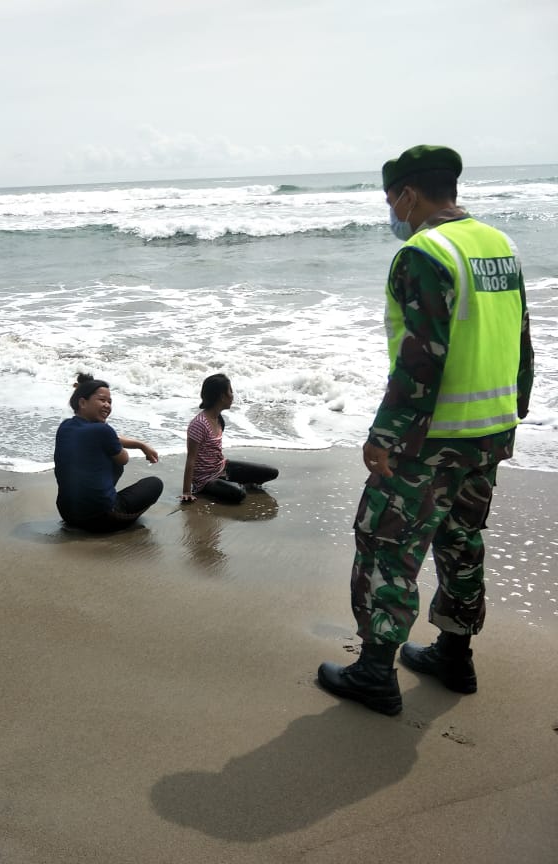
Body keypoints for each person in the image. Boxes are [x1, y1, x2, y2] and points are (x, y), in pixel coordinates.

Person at [317, 145, 534, 715]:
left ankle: (373, 673)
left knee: (387, 543)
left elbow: (423, 361)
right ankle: (454, 656)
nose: (392, 211)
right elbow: (522, 336)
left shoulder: (424, 252)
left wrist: (385, 436)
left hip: (429, 440)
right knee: (462, 542)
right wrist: (519, 406)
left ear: (408, 194)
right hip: (489, 430)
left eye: (391, 199)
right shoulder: (499, 246)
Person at [54, 373, 163, 532]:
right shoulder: (102, 430)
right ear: (83, 402)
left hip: (67, 514)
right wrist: (135, 445)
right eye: (102, 400)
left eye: (109, 402)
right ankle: (109, 509)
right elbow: (123, 458)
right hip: (102, 518)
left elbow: (109, 439)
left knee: (102, 457)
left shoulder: (65, 427)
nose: (107, 405)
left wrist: (141, 445)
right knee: (154, 483)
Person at [180, 373, 278, 504]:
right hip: (205, 480)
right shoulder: (199, 424)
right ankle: (223, 486)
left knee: (271, 472)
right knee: (239, 494)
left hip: (223, 467)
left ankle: (229, 481)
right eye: (230, 391)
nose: (232, 395)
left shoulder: (218, 419)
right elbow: (191, 459)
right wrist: (187, 491)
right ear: (222, 396)